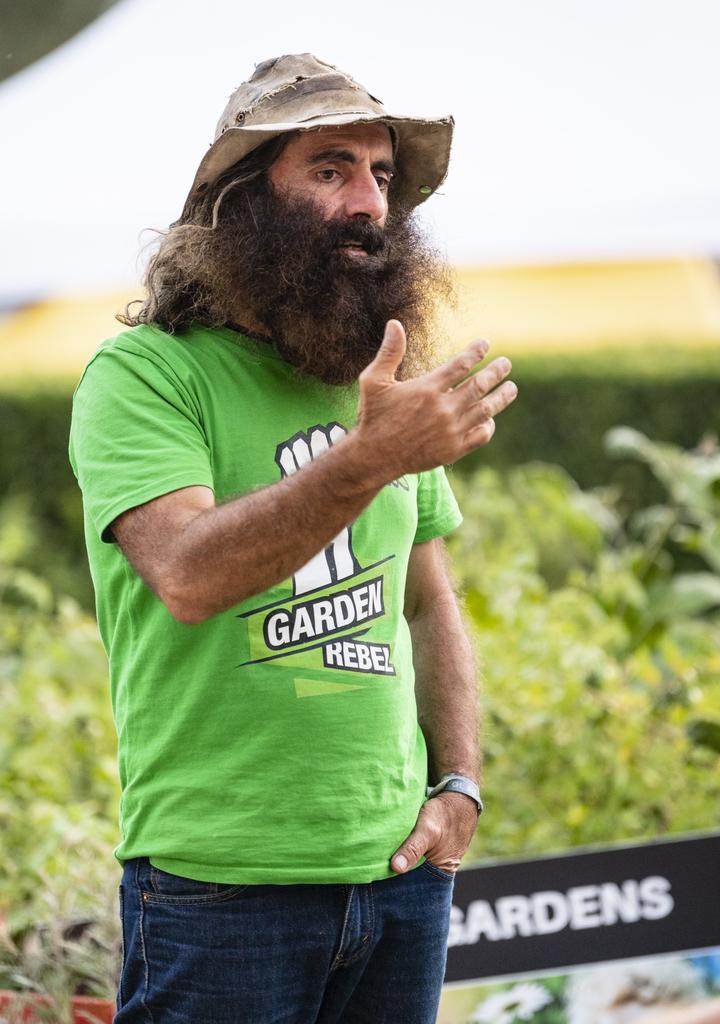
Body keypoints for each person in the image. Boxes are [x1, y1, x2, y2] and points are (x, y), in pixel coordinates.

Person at [68, 53, 517, 1023]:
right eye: (330, 168)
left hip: (400, 878)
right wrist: (368, 456)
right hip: (222, 886)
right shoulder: (145, 376)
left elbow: (429, 598)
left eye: (382, 175)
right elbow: (187, 574)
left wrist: (460, 785)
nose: (368, 202)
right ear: (241, 203)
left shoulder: (373, 375)